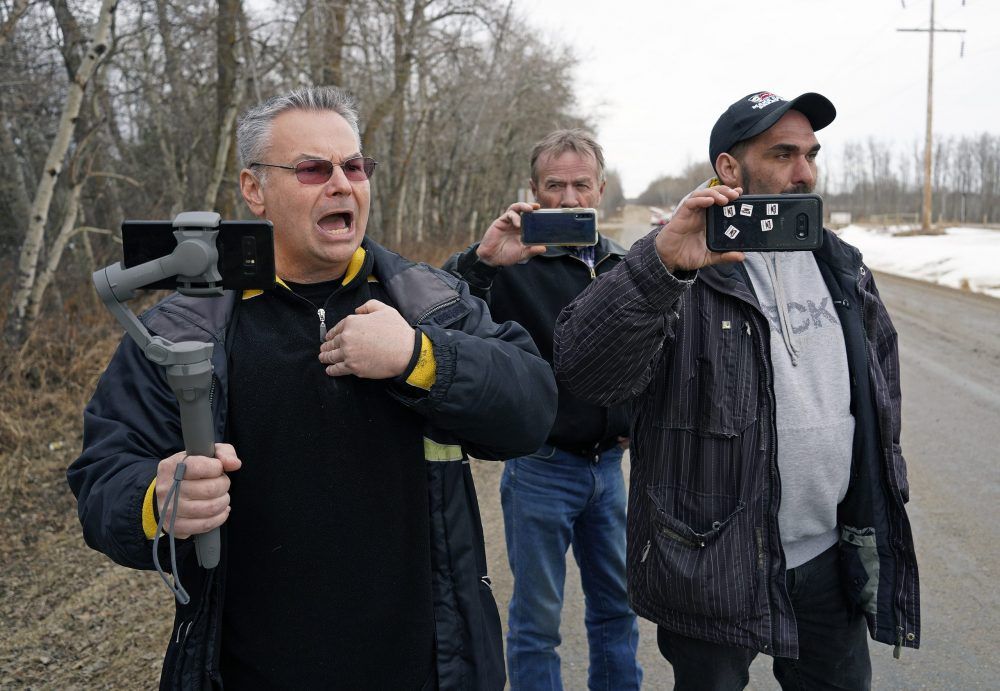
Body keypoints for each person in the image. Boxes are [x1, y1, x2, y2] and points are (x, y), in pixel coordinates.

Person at [68, 86, 558, 691]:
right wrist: (155, 499)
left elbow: (532, 409)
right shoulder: (182, 329)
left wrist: (417, 356)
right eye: (311, 169)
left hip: (424, 668)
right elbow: (101, 477)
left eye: (353, 166)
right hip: (250, 671)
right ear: (254, 189)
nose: (341, 184)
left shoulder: (428, 302)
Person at [553, 91, 920, 690]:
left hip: (828, 560)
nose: (803, 173)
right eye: (782, 154)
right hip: (711, 566)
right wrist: (662, 269)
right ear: (729, 168)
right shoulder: (680, 262)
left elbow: (882, 394)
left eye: (810, 155)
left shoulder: (843, 267)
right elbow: (585, 371)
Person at [445, 129, 641, 690]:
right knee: (536, 621)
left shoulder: (624, 267)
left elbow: (650, 354)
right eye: (554, 185)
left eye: (581, 184)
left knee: (617, 612)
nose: (568, 197)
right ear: (533, 190)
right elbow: (436, 313)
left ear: (600, 190)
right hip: (540, 466)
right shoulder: (511, 263)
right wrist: (483, 260)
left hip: (609, 471)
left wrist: (630, 422)